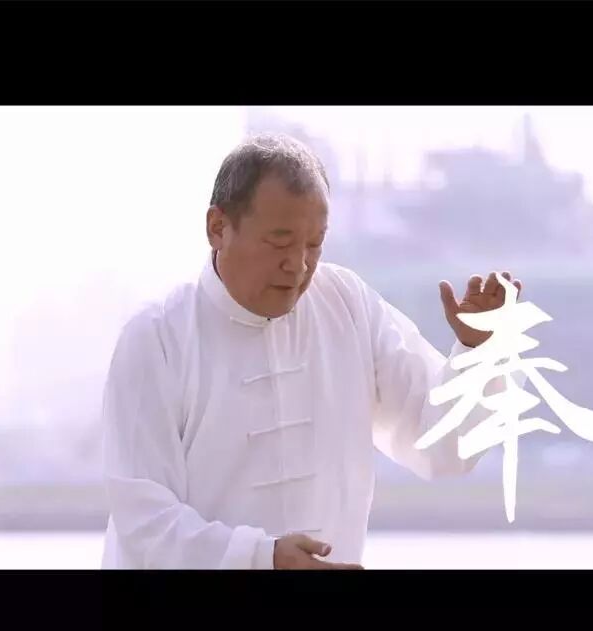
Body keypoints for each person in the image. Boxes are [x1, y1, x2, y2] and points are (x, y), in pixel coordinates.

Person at [100, 133, 524, 569]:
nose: (298, 264)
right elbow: (145, 523)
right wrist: (262, 558)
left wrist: (478, 351)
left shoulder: (348, 305)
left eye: (314, 244)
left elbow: (444, 448)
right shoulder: (156, 339)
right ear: (217, 228)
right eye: (279, 242)